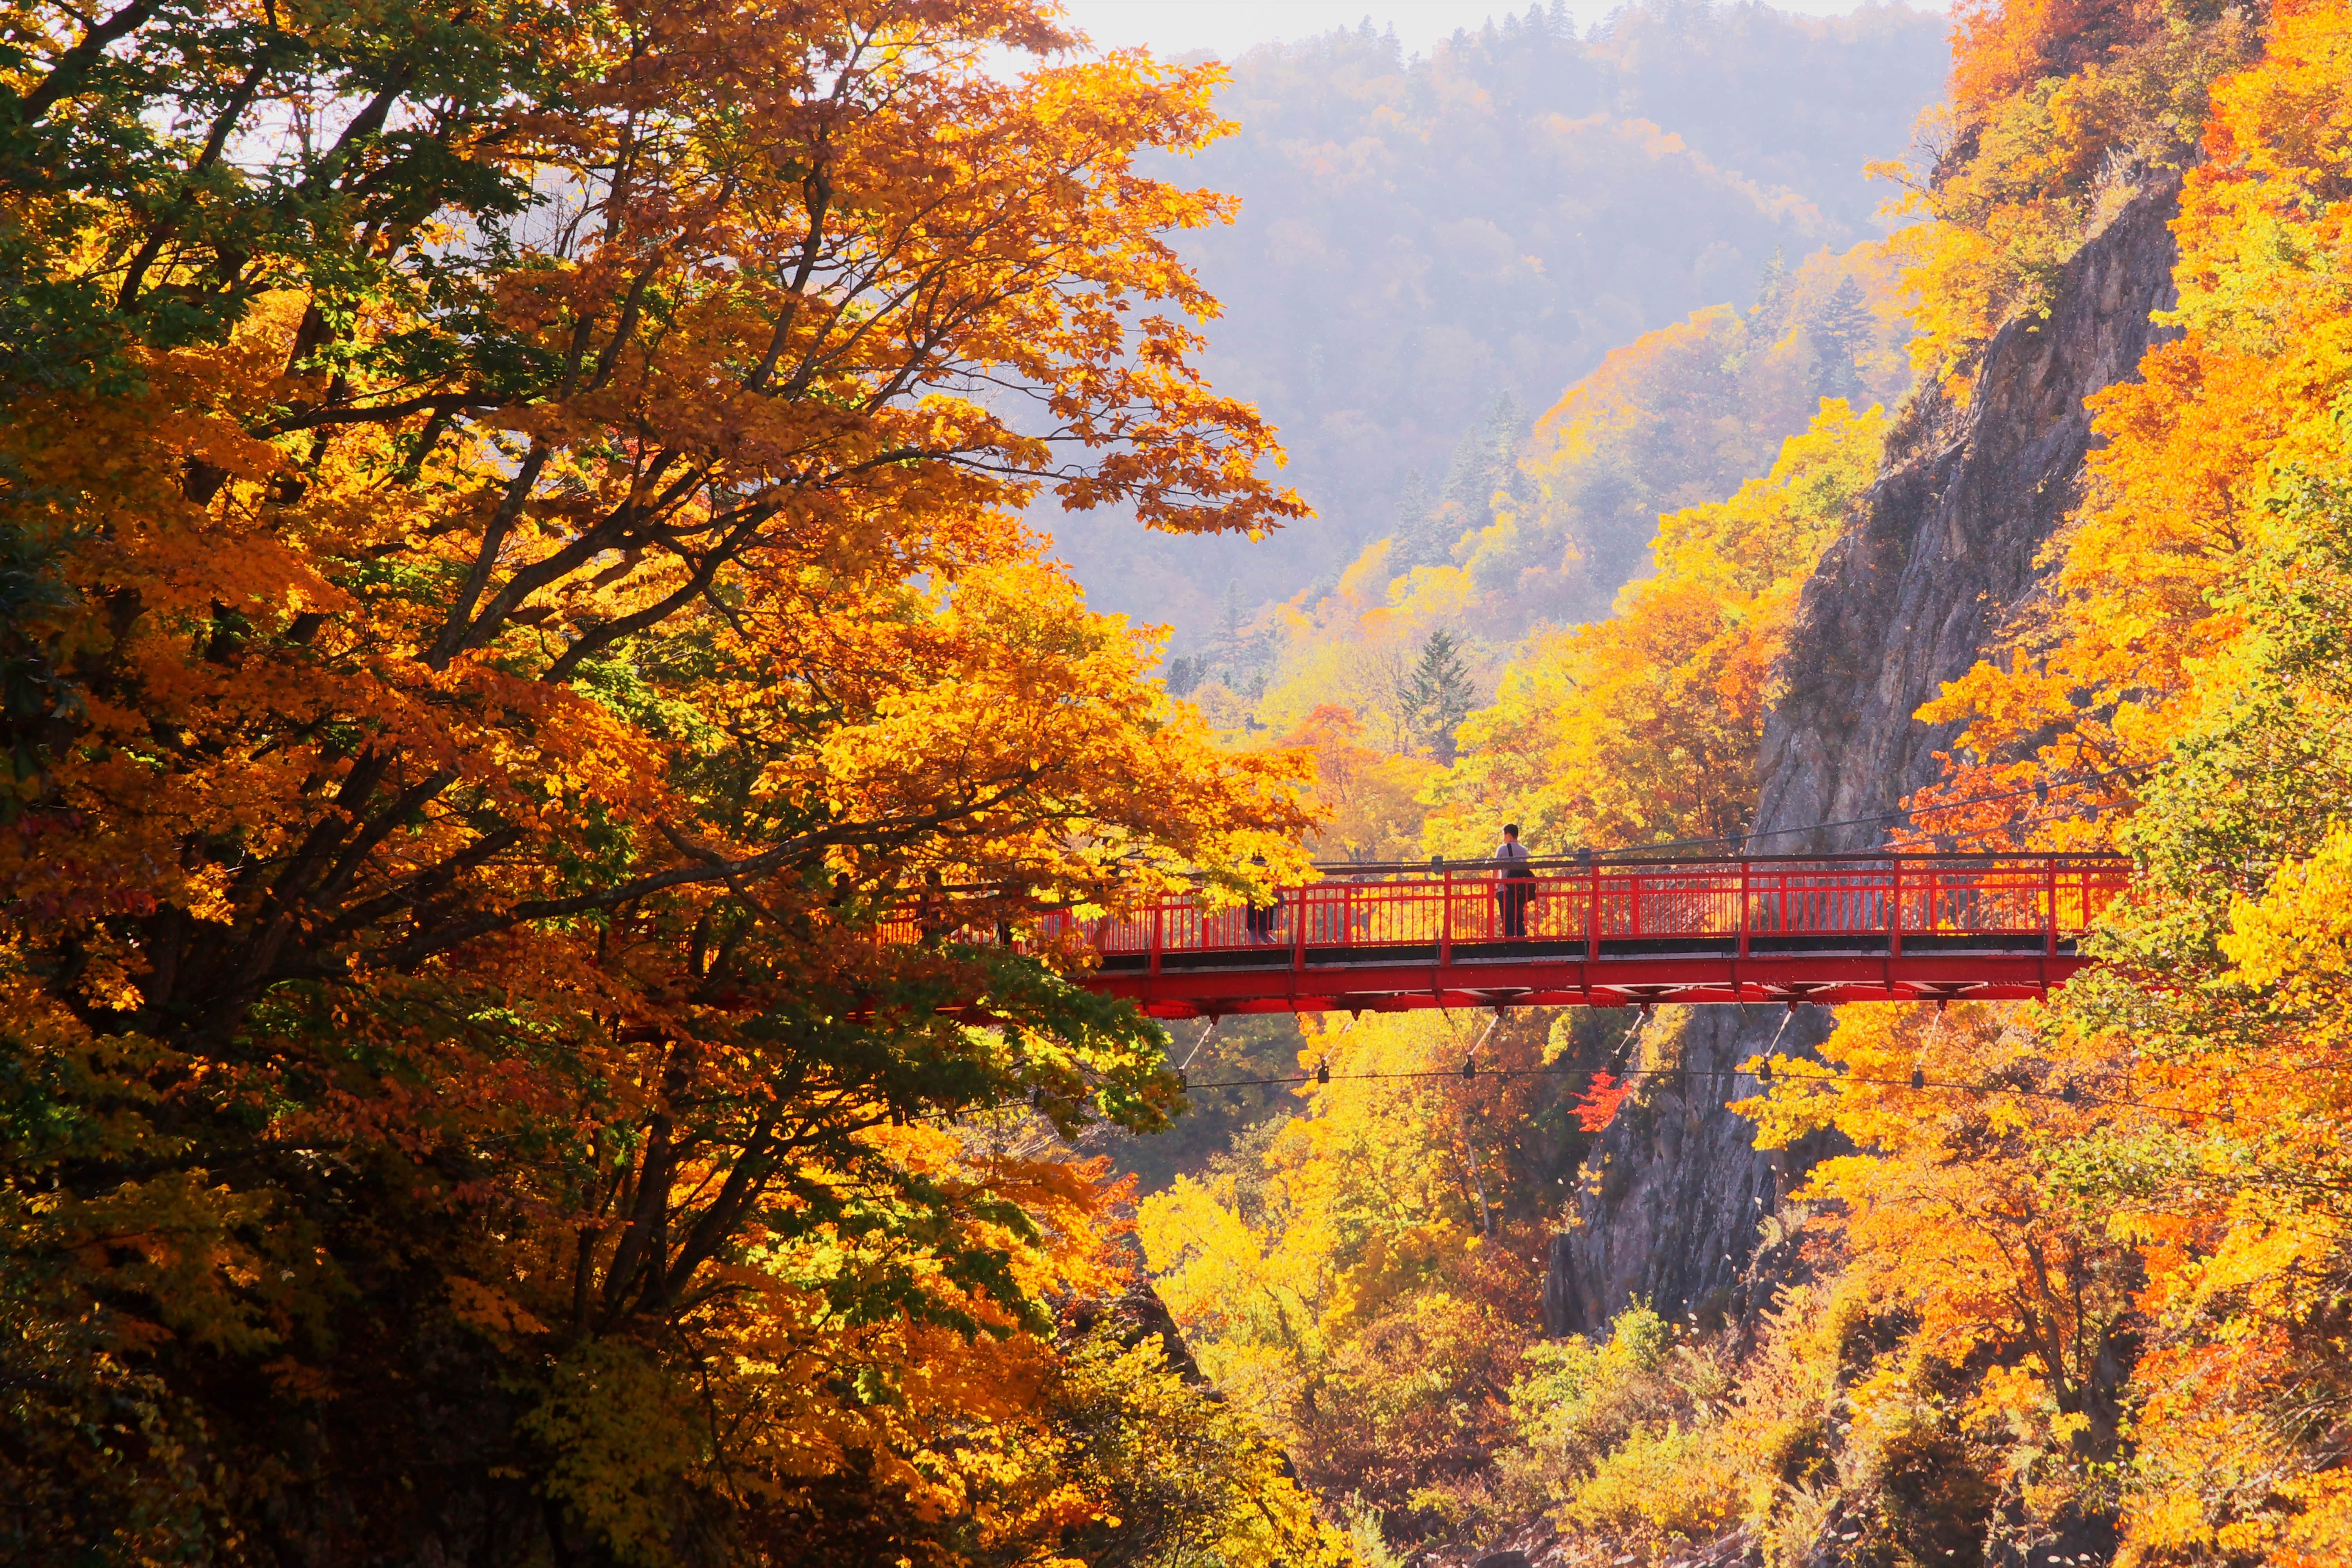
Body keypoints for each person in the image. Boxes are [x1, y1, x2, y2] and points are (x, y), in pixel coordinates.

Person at [1494, 822, 1534, 937]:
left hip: (1505, 888)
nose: (1503, 838)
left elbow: (1495, 868)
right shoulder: (1524, 850)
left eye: (1504, 835)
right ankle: (1521, 941)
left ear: (1509, 835)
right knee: (1519, 917)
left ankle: (1509, 943)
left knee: (1507, 919)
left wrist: (1495, 887)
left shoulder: (1502, 849)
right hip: (1520, 889)